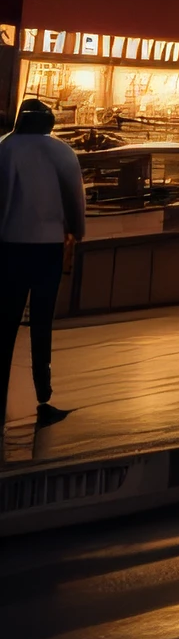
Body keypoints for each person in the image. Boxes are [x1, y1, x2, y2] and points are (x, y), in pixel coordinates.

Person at [0, 97, 83, 425]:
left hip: (10, 244)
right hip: (48, 244)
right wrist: (76, 231)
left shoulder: (4, 149)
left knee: (5, 321)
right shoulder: (62, 152)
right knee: (42, 321)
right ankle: (43, 393)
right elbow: (75, 199)